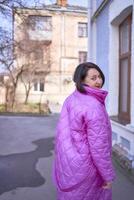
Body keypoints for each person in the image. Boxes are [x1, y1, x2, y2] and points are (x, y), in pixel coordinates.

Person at [52, 62, 116, 200]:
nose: (99, 81)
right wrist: (107, 176)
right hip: (88, 168)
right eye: (93, 78)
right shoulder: (94, 106)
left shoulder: (71, 99)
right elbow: (99, 146)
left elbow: (63, 133)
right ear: (81, 80)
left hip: (69, 162)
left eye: (99, 76)